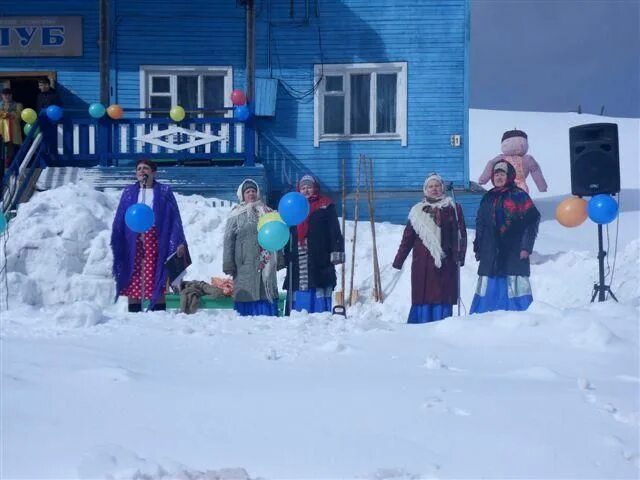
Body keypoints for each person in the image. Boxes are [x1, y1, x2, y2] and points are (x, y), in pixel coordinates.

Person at [111, 159, 188, 312]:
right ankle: (134, 311)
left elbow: (173, 218)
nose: (141, 171)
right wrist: (119, 237)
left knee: (157, 273)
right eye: (138, 168)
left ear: (153, 172)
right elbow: (121, 217)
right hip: (133, 240)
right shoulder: (129, 192)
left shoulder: (164, 191)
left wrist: (178, 240)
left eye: (145, 168)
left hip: (157, 238)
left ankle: (158, 311)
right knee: (133, 275)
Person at [392, 173, 467, 323]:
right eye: (431, 186)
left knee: (442, 295)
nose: (434, 189)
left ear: (442, 188)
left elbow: (461, 234)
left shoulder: (453, 208)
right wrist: (398, 261)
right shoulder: (417, 211)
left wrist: (460, 256)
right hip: (422, 264)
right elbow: (408, 238)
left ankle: (443, 326)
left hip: (445, 263)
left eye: (437, 186)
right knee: (423, 295)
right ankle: (420, 325)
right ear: (425, 190)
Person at [470, 161, 541, 314]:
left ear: (509, 176)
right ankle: (484, 317)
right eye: (496, 174)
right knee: (490, 282)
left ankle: (519, 318)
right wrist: (479, 246)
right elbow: (480, 222)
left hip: (514, 249)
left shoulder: (519, 195)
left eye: (502, 174)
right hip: (491, 250)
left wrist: (526, 247)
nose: (499, 177)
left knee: (514, 282)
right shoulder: (488, 197)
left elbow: (532, 220)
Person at [283, 174, 344, 313]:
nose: (306, 190)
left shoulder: (325, 205)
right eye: (303, 188)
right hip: (298, 254)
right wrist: (285, 254)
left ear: (315, 188)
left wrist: (337, 251)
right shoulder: (293, 207)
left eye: (309, 187)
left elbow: (334, 230)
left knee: (318, 280)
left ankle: (320, 311)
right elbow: (287, 232)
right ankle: (298, 311)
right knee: (299, 282)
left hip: (320, 253)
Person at [223, 179, 281, 316]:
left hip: (265, 262)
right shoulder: (235, 214)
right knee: (246, 292)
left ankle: (268, 317)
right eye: (248, 191)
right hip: (243, 263)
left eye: (254, 191)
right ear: (242, 195)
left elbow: (277, 235)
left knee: (264, 291)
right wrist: (228, 263)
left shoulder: (267, 212)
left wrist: (281, 258)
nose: (251, 194)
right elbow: (228, 240)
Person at [478, 129, 548, 194]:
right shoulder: (527, 159)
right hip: (509, 186)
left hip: (513, 187)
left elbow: (491, 164)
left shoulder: (526, 159)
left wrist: (483, 180)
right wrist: (542, 187)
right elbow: (536, 171)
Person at [0, 88, 23, 168]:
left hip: (13, 133)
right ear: (2, 96)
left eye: (8, 94)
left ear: (11, 95)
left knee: (12, 152)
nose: (6, 96)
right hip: (2, 133)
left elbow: (18, 117)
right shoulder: (0, 105)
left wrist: (7, 114)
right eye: (4, 95)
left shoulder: (18, 105)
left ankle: (12, 169)